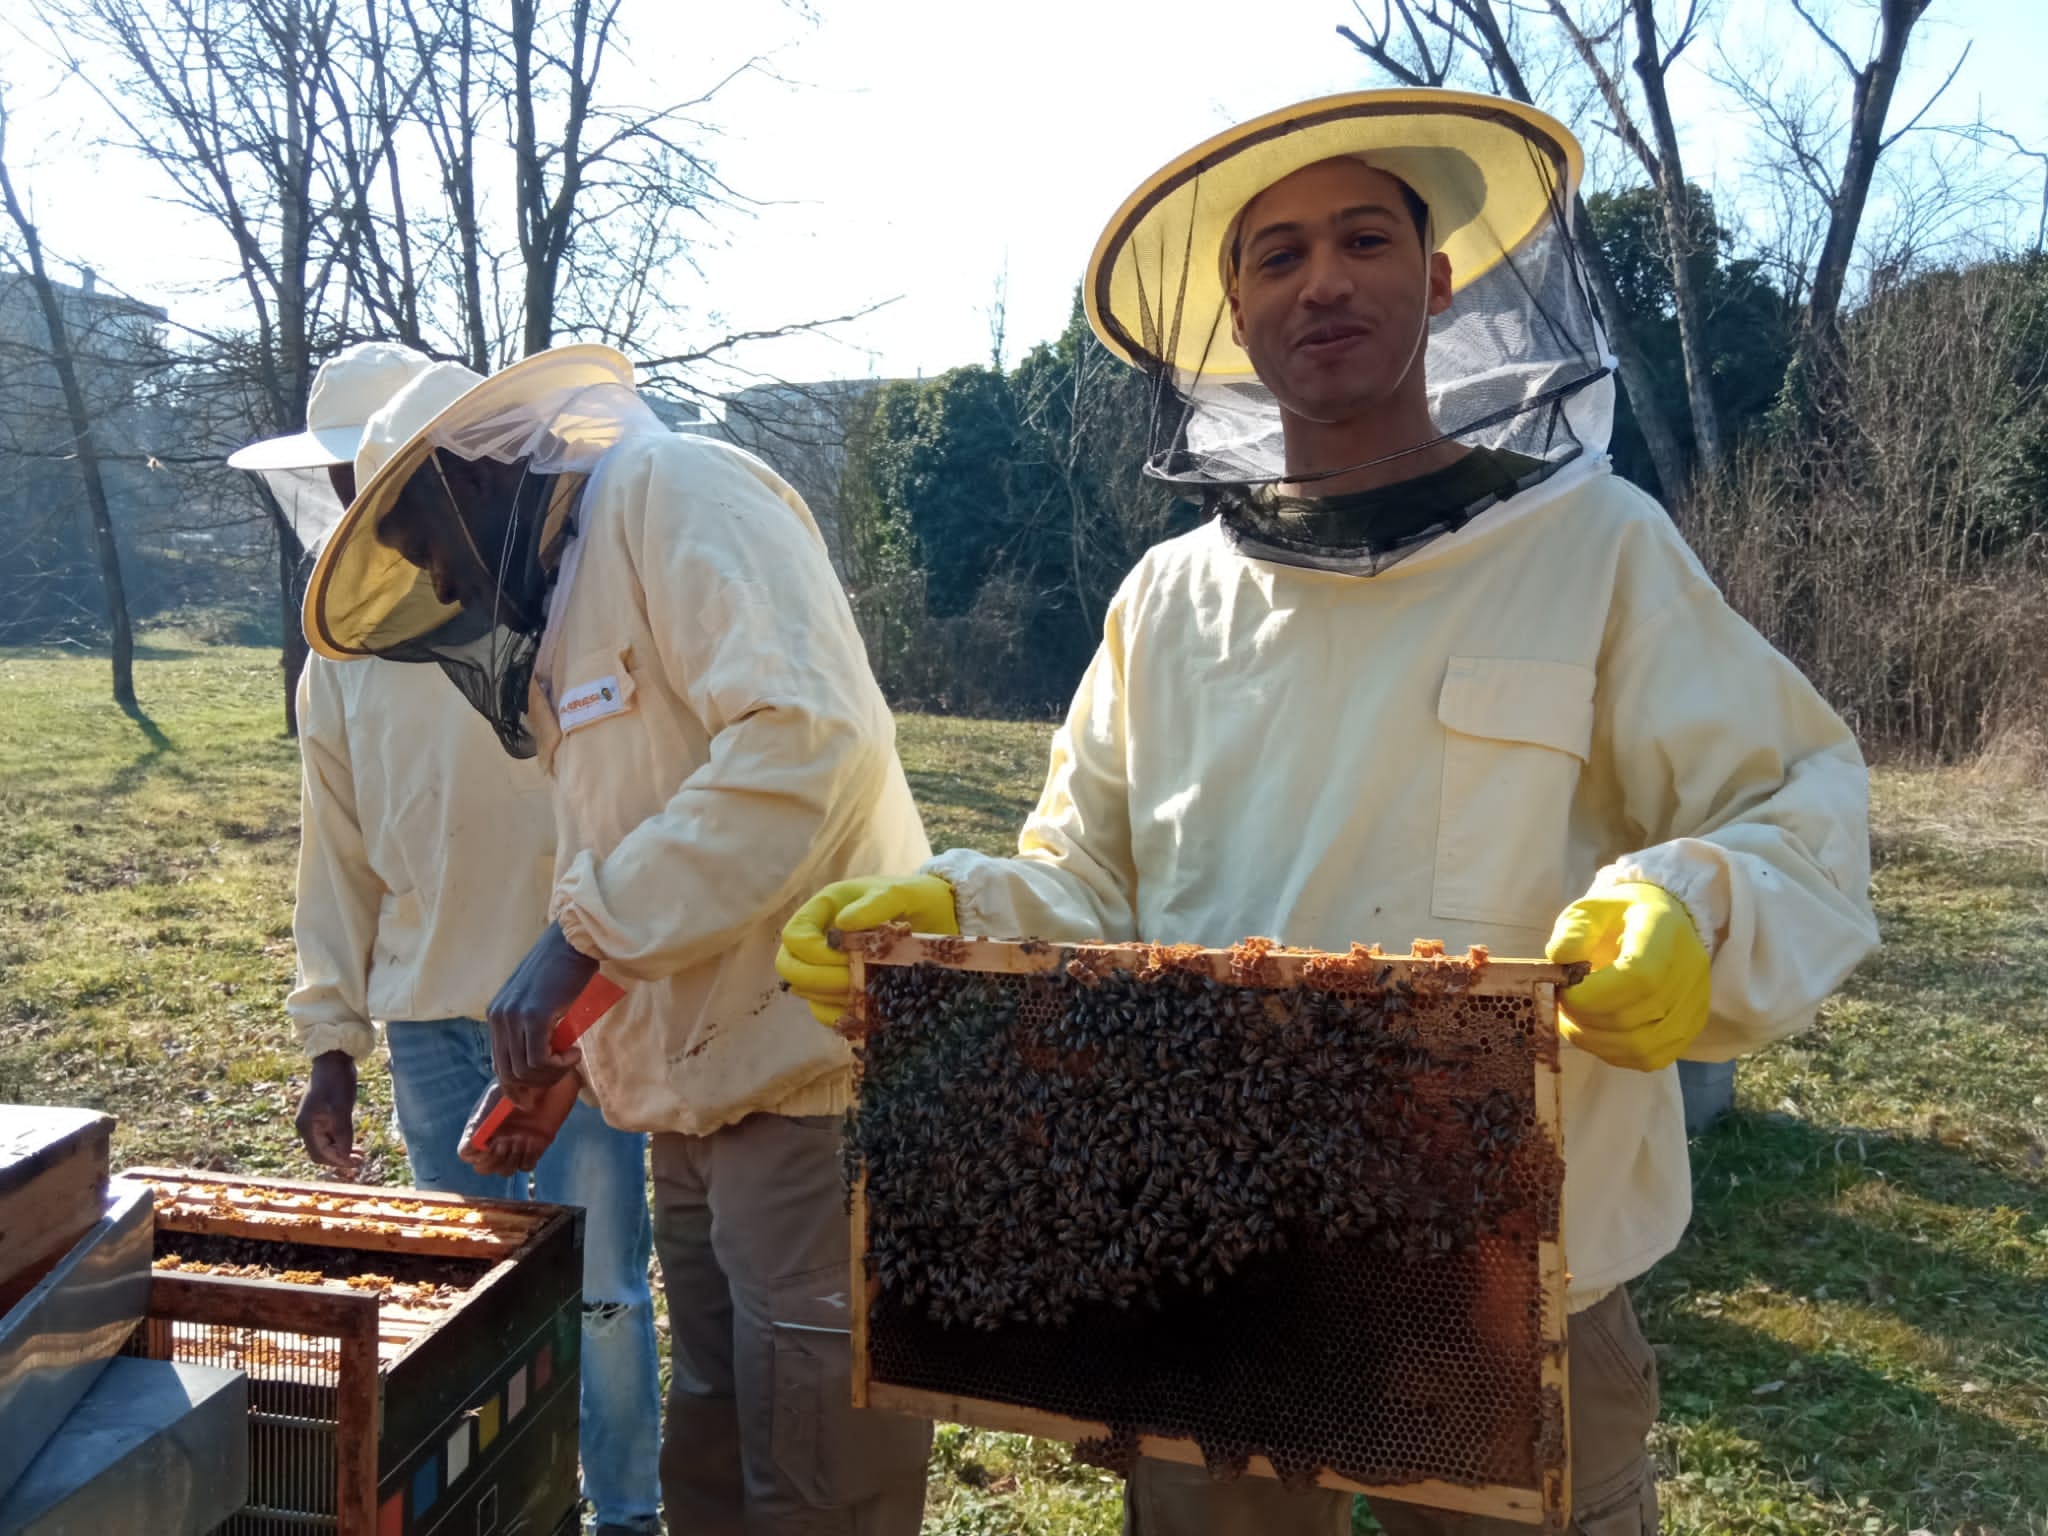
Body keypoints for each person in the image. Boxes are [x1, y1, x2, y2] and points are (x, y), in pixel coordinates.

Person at [776, 89, 1880, 1536]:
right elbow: (1085, 876)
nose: (1325, 280)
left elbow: (1796, 799)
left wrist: (1694, 905)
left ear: (1437, 280)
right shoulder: (1167, 601)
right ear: (1232, 311)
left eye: (1365, 238)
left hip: (1523, 1288)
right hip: (1209, 1273)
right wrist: (958, 916)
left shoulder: (1595, 547)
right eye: (1276, 255)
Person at [300, 344, 935, 1535]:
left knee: (812, 1481)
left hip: (814, 1085)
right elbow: (670, 865)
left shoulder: (674, 489)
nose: (437, 580)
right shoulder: (572, 608)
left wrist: (578, 941)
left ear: (476, 481)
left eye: (425, 544)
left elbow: (807, 740)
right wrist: (576, 1056)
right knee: (714, 1449)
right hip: (699, 1103)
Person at [234, 343, 663, 1536]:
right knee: (465, 1305)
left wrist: (598, 979)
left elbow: (620, 803)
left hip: (575, 1015)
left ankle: (625, 1517)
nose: (374, 528)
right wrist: (330, 1043)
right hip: (429, 1026)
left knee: (607, 1297)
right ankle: (504, 1514)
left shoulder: (555, 593)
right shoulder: (338, 663)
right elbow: (339, 857)